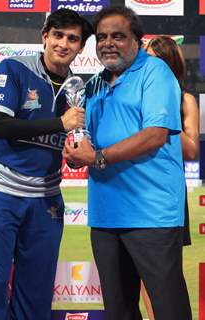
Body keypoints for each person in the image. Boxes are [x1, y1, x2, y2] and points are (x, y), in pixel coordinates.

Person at [63, 6, 192, 320]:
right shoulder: (92, 85)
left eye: (118, 36)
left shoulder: (156, 72)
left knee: (168, 310)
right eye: (102, 37)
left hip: (152, 216)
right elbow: (87, 138)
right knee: (118, 312)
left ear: (137, 39)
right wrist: (74, 150)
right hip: (106, 216)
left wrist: (96, 157)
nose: (108, 43)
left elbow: (155, 135)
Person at [0, 9, 93, 320]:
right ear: (44, 36)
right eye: (58, 35)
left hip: (46, 198)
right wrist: (59, 123)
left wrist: (77, 148)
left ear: (81, 48)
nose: (63, 44)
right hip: (2, 192)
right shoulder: (14, 68)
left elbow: (78, 139)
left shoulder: (78, 91)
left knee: (36, 289)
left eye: (72, 39)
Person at [140, 35, 199, 320]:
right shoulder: (135, 93)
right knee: (140, 272)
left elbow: (191, 150)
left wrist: (161, 124)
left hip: (167, 194)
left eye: (152, 57)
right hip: (136, 190)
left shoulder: (184, 99)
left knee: (167, 272)